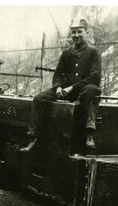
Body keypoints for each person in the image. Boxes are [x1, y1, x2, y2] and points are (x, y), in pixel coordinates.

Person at [20, 18, 102, 153]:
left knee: (93, 90)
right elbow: (58, 74)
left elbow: (94, 77)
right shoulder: (67, 53)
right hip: (64, 90)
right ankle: (33, 138)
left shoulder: (93, 52)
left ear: (86, 32)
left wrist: (71, 88)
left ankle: (89, 134)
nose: (76, 35)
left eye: (79, 32)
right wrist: (58, 87)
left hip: (83, 90)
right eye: (73, 32)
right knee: (38, 99)